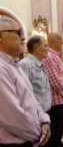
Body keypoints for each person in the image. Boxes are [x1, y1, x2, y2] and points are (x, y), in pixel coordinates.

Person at [0, 16, 51, 147]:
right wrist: (40, 133)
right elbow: (13, 118)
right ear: (1, 37)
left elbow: (32, 98)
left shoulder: (14, 65)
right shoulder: (2, 69)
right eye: (18, 33)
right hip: (16, 142)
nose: (23, 38)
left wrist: (45, 120)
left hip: (29, 137)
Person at [43, 32, 63, 147]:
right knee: (55, 133)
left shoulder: (55, 56)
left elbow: (61, 76)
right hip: (57, 101)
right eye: (59, 39)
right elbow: (55, 80)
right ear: (52, 41)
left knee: (58, 131)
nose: (62, 41)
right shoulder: (50, 57)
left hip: (61, 99)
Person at [19, 35, 52, 113]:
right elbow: (24, 93)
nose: (48, 49)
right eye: (45, 46)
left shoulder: (40, 63)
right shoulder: (25, 64)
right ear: (36, 47)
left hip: (44, 111)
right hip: (34, 112)